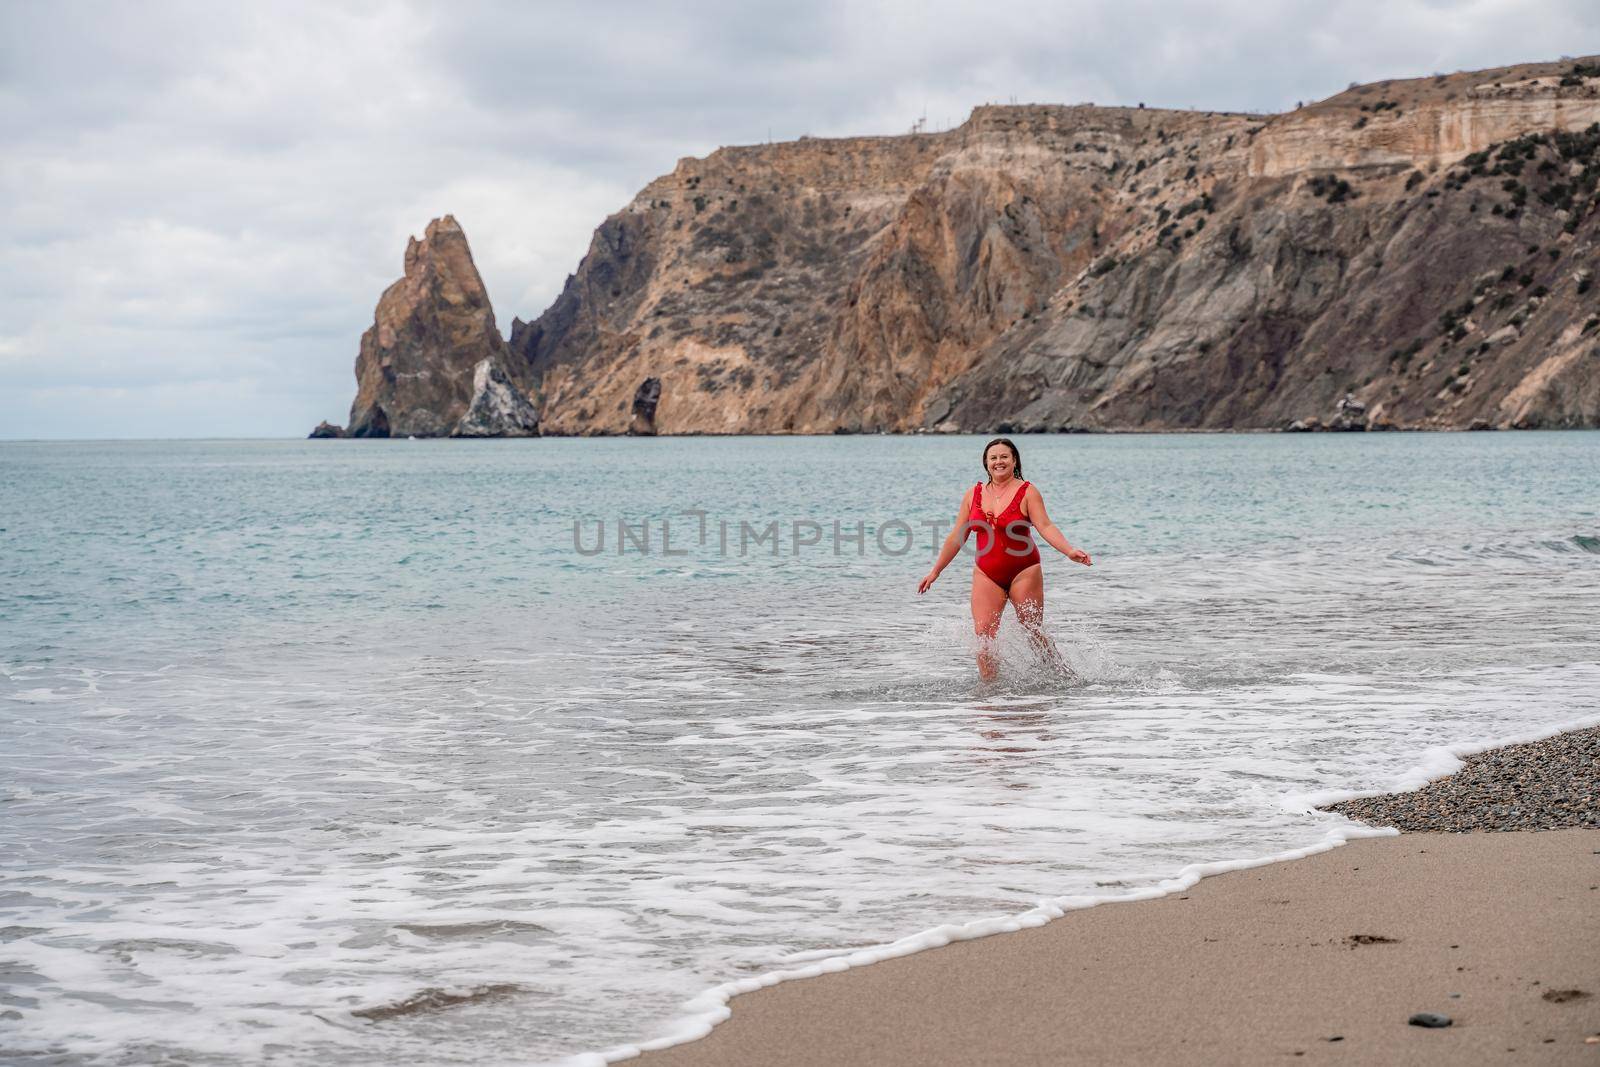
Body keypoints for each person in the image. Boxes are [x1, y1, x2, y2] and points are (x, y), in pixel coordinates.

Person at [917, 437, 1093, 681]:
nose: (999, 461)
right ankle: (990, 694)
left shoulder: (1028, 491)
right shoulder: (973, 494)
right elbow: (957, 537)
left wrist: (1069, 551)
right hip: (987, 574)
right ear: (986, 463)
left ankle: (1063, 677)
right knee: (984, 637)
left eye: (1004, 457)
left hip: (1024, 570)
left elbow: (1045, 525)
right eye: (993, 458)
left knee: (1032, 630)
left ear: (1014, 460)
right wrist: (936, 571)